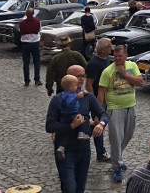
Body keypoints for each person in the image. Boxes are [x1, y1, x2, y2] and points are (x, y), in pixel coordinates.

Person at [45, 65, 108, 193]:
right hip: (65, 149)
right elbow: (50, 126)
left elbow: (103, 114)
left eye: (83, 75)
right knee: (69, 188)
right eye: (78, 76)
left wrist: (101, 124)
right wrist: (71, 126)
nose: (82, 79)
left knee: (80, 188)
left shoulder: (88, 97)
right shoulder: (58, 99)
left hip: (83, 149)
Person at [98, 44, 145, 183]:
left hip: (131, 107)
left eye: (120, 56)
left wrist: (125, 75)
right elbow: (101, 92)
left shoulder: (132, 66)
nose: (117, 58)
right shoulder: (108, 71)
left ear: (125, 56)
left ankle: (115, 156)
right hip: (114, 109)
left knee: (128, 135)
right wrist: (99, 112)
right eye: (115, 56)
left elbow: (141, 82)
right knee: (116, 138)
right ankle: (117, 166)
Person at [84, 37, 113, 163]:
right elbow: (88, 84)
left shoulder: (106, 59)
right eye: (109, 46)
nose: (111, 48)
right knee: (98, 124)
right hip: (98, 100)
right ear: (103, 50)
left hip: (107, 99)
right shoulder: (94, 64)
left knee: (100, 124)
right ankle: (100, 152)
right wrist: (94, 102)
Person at [54, 74, 92, 160]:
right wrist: (76, 97)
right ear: (71, 88)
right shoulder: (69, 95)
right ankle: (82, 133)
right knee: (83, 119)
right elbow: (69, 103)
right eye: (75, 85)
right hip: (71, 114)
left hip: (64, 115)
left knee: (66, 134)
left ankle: (62, 146)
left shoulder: (61, 95)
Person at [19, 7, 43, 86]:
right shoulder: (37, 21)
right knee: (36, 62)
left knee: (26, 62)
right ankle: (37, 79)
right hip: (35, 42)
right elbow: (40, 31)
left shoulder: (22, 23)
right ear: (33, 14)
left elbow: (21, 32)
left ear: (26, 14)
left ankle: (26, 80)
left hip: (25, 43)